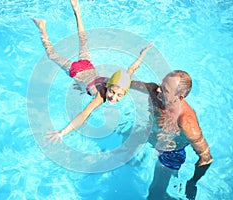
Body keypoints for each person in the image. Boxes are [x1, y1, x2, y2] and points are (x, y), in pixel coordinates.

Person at [32, 0, 153, 144]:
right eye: (112, 92)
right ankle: (42, 27)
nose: (113, 97)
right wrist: (63, 132)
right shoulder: (100, 97)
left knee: (83, 39)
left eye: (119, 95)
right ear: (107, 87)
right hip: (75, 71)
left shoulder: (123, 81)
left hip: (88, 66)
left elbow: (132, 69)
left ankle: (77, 10)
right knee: (51, 54)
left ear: (125, 92)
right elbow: (84, 114)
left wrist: (143, 55)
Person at [130, 70, 213, 200]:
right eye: (161, 85)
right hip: (151, 136)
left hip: (170, 153)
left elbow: (206, 158)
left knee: (155, 194)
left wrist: (192, 182)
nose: (158, 90)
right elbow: (125, 84)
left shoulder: (186, 123)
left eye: (165, 90)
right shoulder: (153, 91)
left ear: (179, 97)